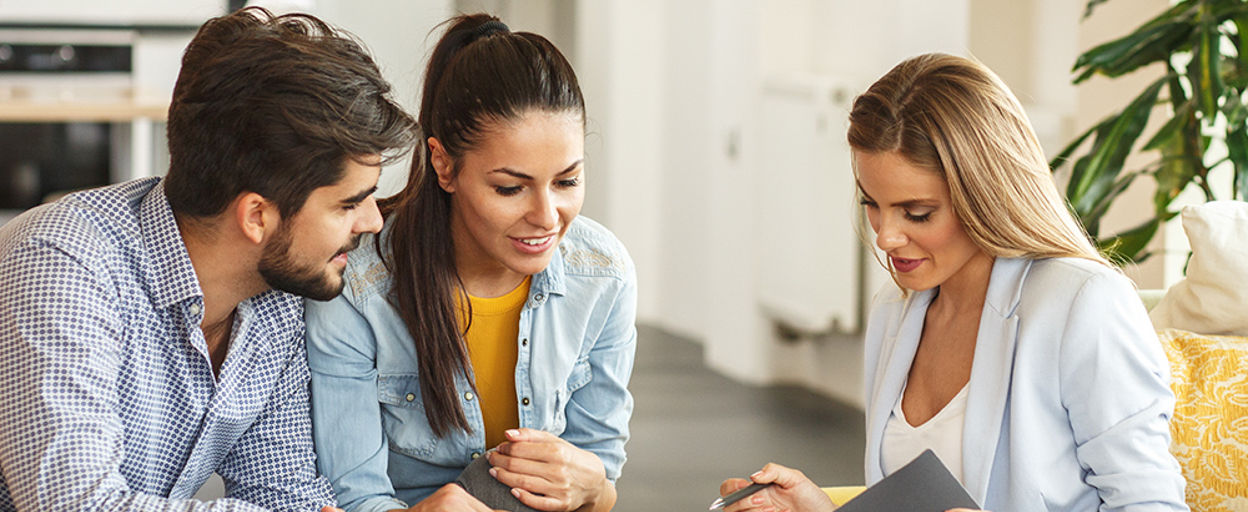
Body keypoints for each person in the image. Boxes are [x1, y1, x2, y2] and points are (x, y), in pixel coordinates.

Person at [717, 53, 1188, 512]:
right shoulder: (896, 310)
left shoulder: (1084, 304)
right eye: (872, 203)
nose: (886, 236)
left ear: (986, 193)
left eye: (917, 213)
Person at [0, 7, 416, 511]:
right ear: (256, 216)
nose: (373, 222)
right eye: (349, 203)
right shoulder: (62, 263)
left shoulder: (275, 297)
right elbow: (72, 506)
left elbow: (286, 495)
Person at [305, 14, 636, 512]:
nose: (547, 217)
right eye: (510, 188)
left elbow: (599, 478)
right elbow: (355, 497)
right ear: (443, 164)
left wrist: (596, 490)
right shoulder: (356, 285)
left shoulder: (603, 273)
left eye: (567, 181)